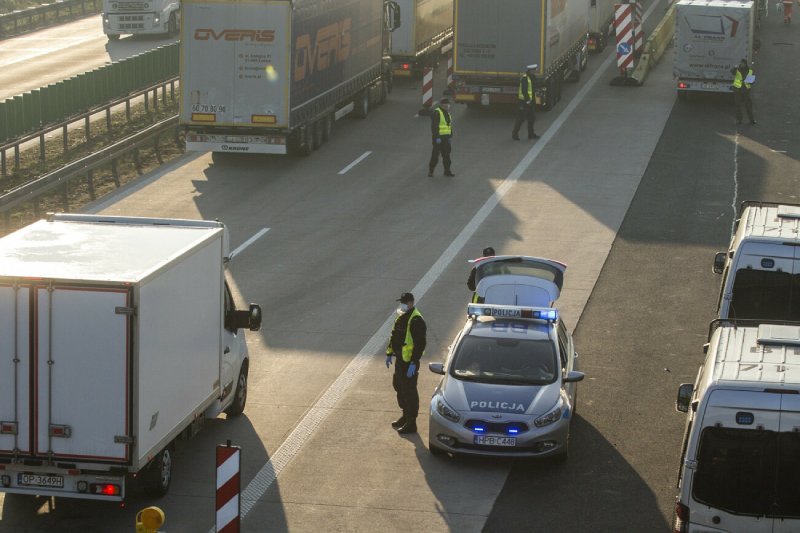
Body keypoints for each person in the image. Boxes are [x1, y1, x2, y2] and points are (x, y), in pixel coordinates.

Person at [385, 292, 427, 434]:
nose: (401, 305)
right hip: (400, 360)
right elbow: (394, 335)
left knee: (409, 391)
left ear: (410, 303)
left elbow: (420, 344)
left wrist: (414, 362)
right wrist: (389, 353)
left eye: (404, 302)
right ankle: (405, 415)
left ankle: (411, 422)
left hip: (409, 363)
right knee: (398, 386)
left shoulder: (416, 320)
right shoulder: (401, 316)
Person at [512, 65, 540, 141]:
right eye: (534, 70)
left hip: (530, 102)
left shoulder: (532, 77)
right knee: (521, 118)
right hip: (523, 102)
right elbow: (524, 91)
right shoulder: (525, 78)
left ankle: (531, 134)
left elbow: (533, 88)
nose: (535, 71)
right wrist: (527, 101)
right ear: (530, 70)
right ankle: (514, 134)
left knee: (532, 118)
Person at [429, 98, 455, 177]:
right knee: (435, 156)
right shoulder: (437, 112)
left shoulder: (447, 113)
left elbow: (449, 126)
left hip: (446, 138)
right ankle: (431, 171)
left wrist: (450, 136)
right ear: (441, 105)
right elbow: (434, 127)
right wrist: (437, 137)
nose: (447, 106)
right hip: (438, 139)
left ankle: (447, 171)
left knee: (447, 156)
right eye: (445, 105)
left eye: (448, 105)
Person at [731, 59, 756, 125]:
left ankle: (751, 120)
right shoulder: (737, 70)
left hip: (746, 91)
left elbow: (752, 81)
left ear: (745, 64)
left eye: (743, 63)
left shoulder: (749, 70)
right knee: (737, 106)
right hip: (738, 91)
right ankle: (739, 120)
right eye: (741, 63)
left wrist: (749, 81)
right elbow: (732, 72)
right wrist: (735, 67)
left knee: (748, 106)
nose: (742, 64)